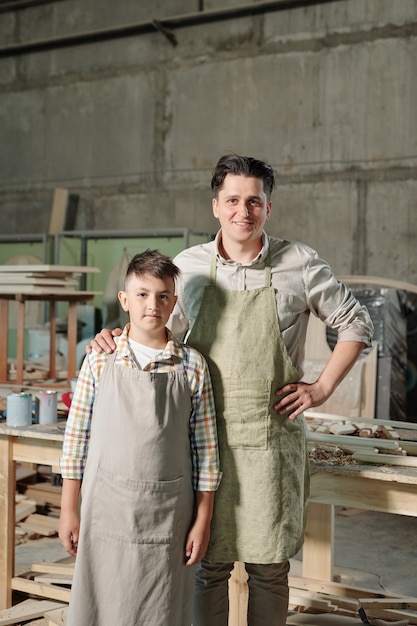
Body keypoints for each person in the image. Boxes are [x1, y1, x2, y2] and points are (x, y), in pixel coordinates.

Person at [88, 154, 374, 626]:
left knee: (269, 568)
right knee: (206, 564)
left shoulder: (298, 263)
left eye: (255, 202)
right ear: (216, 206)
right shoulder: (189, 268)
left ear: (269, 208)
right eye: (234, 200)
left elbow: (355, 322)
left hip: (269, 443)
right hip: (201, 440)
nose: (244, 211)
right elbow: (160, 334)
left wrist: (321, 389)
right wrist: (113, 337)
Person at [59, 249, 221, 626]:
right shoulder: (100, 358)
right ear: (125, 300)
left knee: (160, 605)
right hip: (106, 508)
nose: (153, 304)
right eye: (143, 294)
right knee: (102, 601)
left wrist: (204, 518)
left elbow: (206, 452)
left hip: (167, 513)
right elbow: (77, 437)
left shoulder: (193, 365)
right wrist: (69, 507)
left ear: (174, 302)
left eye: (163, 296)